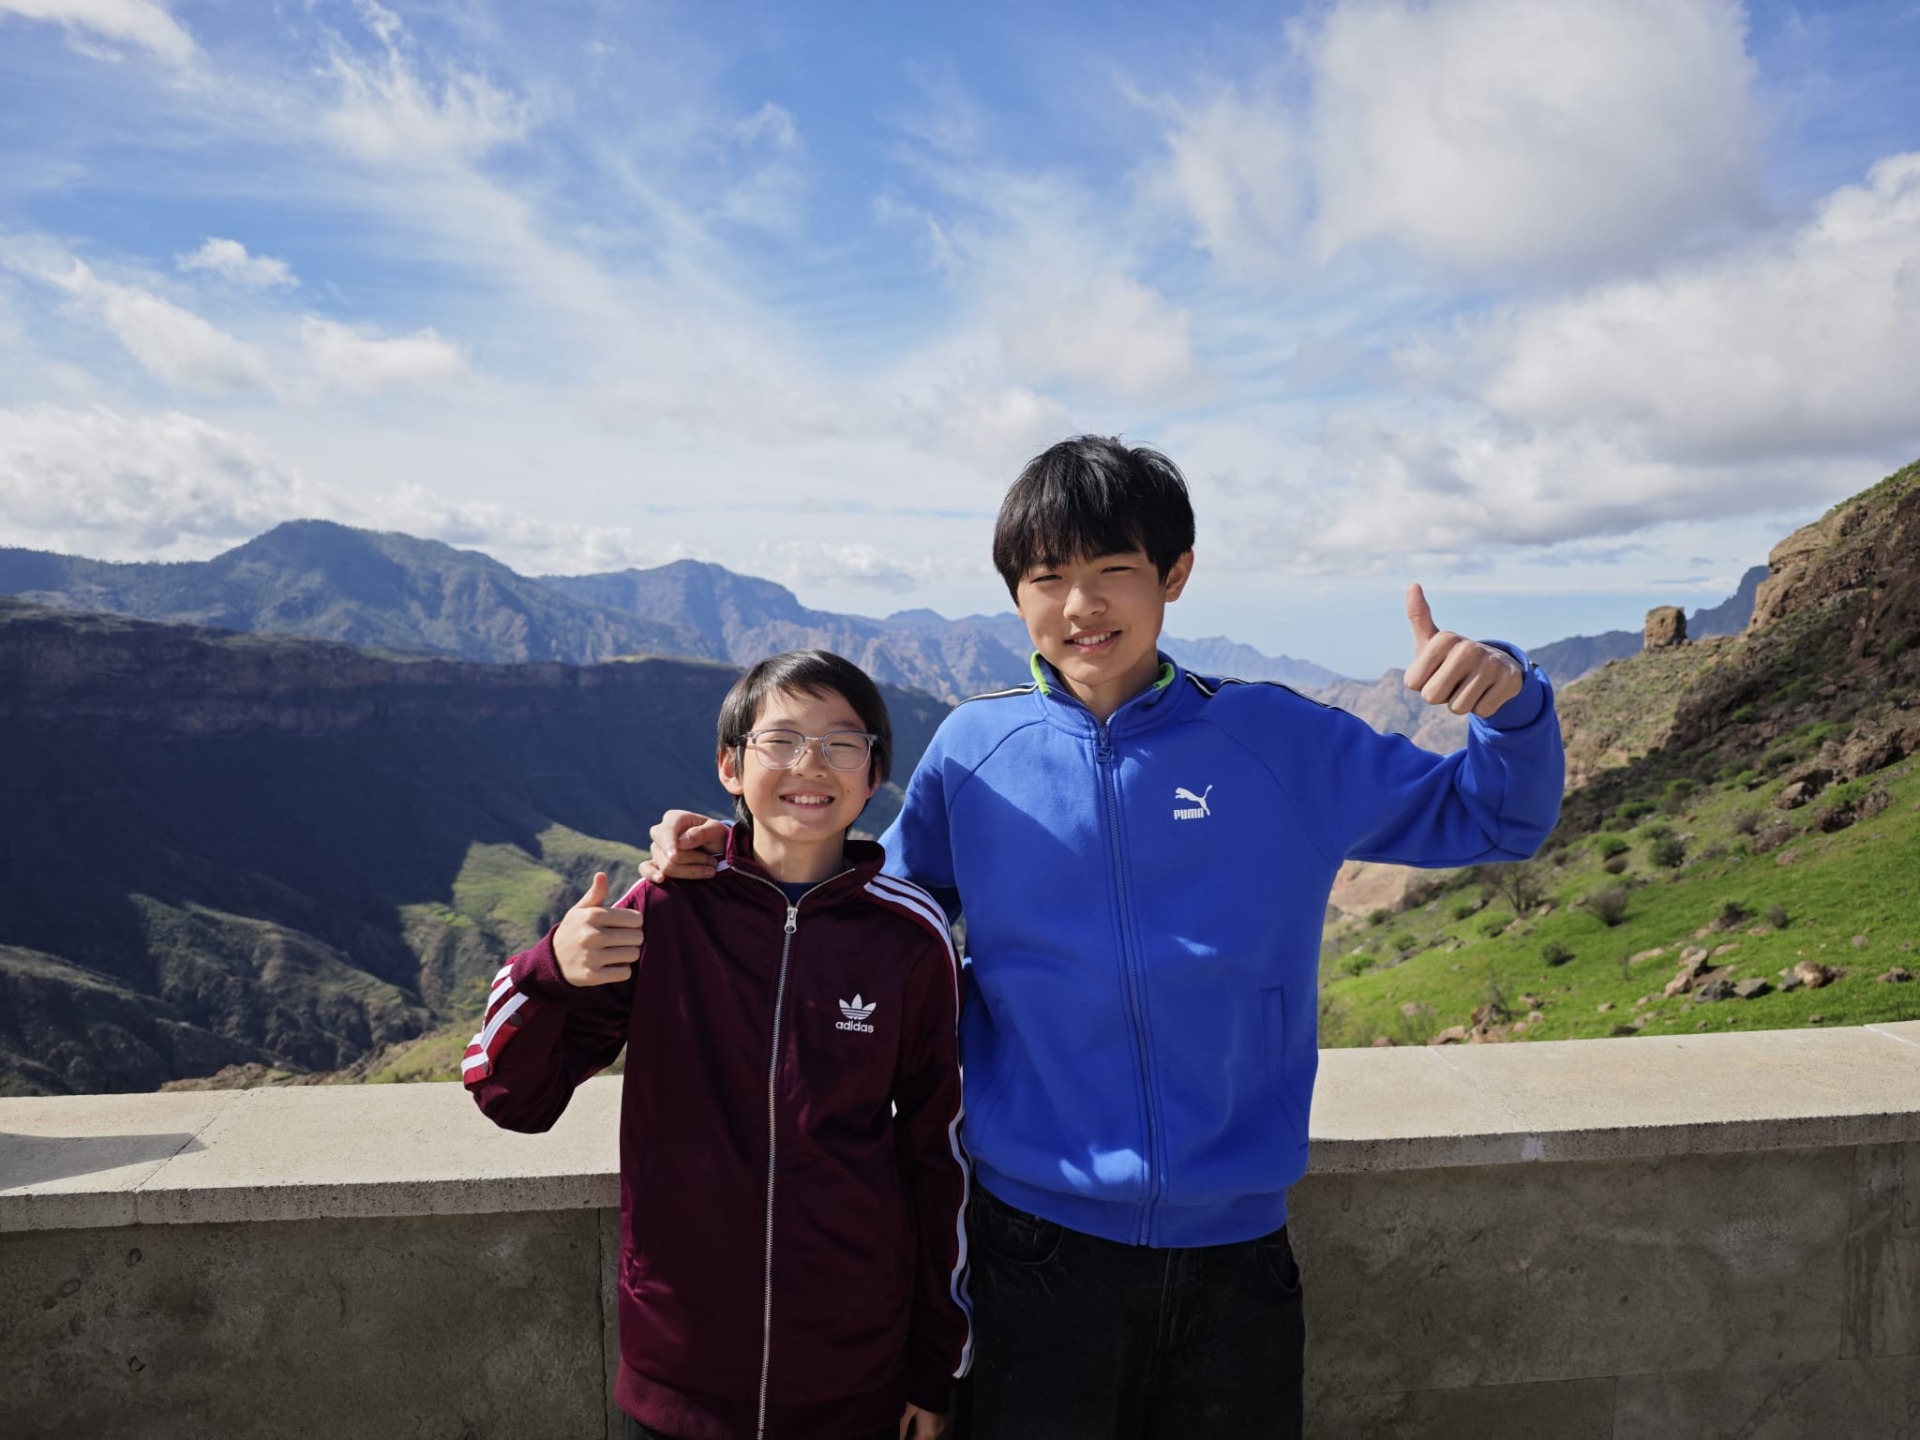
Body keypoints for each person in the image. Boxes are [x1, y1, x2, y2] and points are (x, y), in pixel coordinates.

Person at [643, 437, 1566, 1439]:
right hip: (1030, 1252)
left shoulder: (1279, 739)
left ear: (1175, 575)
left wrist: (1511, 705)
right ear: (1016, 595)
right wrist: (726, 858)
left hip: (1237, 1259)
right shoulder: (975, 752)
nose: (1081, 605)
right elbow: (865, 923)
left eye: (1114, 570)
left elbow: (1495, 818)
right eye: (1048, 578)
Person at [465, 649, 970, 1440]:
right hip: (679, 1372)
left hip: (854, 1374)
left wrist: (933, 1364)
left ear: (874, 776)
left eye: (841, 744)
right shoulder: (664, 912)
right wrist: (549, 970)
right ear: (731, 766)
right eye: (781, 741)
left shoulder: (908, 937)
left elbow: (937, 1155)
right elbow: (514, 1099)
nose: (810, 765)